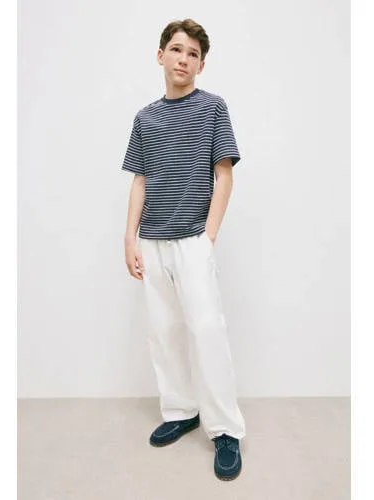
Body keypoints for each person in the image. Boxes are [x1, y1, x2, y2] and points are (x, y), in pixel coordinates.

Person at [121, 18, 246, 481]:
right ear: (161, 56)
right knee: (164, 331)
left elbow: (224, 174)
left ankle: (225, 429)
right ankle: (180, 411)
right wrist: (129, 238)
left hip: (193, 238)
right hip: (151, 241)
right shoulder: (145, 118)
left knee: (207, 330)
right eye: (176, 50)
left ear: (201, 65)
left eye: (193, 54)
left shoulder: (213, 108)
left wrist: (207, 237)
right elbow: (140, 180)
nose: (184, 59)